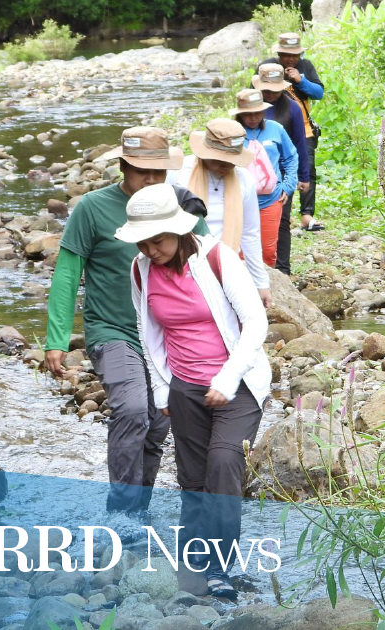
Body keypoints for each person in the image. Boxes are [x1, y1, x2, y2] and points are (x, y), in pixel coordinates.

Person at [115, 184, 271, 600]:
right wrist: (165, 391)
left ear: (180, 231)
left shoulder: (218, 258)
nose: (150, 249)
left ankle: (221, 566)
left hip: (237, 384)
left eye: (158, 239)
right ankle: (194, 558)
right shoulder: (140, 270)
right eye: (142, 241)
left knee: (223, 463)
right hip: (184, 387)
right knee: (193, 477)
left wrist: (226, 378)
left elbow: (255, 323)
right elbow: (150, 335)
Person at [43, 126, 208, 517]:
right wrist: (57, 338)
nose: (150, 180)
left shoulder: (180, 206)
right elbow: (68, 273)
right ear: (122, 166)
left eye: (158, 172)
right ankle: (121, 512)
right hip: (114, 330)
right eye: (140, 171)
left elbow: (208, 263)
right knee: (133, 408)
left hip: (170, 334)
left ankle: (139, 509)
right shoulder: (92, 208)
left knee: (157, 422)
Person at [170, 118, 272, 308]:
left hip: (225, 266)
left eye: (232, 159)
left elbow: (250, 233)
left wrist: (261, 283)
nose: (226, 164)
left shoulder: (244, 180)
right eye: (220, 158)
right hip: (181, 264)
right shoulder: (179, 173)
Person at [259, 33, 325, 232]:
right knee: (273, 167)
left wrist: (300, 80)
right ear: (278, 53)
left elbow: (318, 93)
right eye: (286, 55)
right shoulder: (267, 67)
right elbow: (253, 94)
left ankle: (306, 214)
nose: (290, 59)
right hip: (270, 128)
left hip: (302, 127)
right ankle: (277, 210)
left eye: (294, 55)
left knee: (308, 169)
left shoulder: (306, 67)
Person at [232, 88, 299, 274]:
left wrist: (289, 184)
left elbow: (291, 157)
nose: (253, 118)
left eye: (257, 113)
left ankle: (268, 290)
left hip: (271, 199)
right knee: (241, 250)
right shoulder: (233, 134)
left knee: (268, 250)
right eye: (248, 114)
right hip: (240, 201)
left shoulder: (275, 129)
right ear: (240, 115)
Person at [253, 64, 312, 274]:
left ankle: (283, 270)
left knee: (282, 221)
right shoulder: (249, 106)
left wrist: (302, 177)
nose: (270, 94)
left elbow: (299, 144)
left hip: (281, 176)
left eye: (274, 90)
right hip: (250, 177)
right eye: (266, 89)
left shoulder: (292, 108)